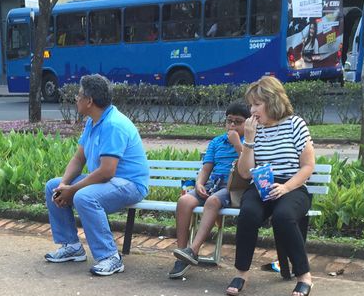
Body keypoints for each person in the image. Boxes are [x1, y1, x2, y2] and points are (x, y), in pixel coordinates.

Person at [44, 74, 149, 276]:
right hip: (108, 181)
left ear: (89, 101)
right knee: (52, 186)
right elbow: (78, 159)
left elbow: (107, 171)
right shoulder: (93, 122)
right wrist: (64, 185)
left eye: (79, 95)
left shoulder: (113, 124)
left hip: (130, 184)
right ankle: (72, 246)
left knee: (85, 197)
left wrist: (73, 190)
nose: (76, 98)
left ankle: (110, 257)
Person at [226, 76, 316, 296]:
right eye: (251, 105)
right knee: (249, 213)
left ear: (272, 101)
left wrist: (286, 187)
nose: (252, 110)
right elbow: (246, 173)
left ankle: (304, 276)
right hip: (263, 186)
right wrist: (248, 141)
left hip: (293, 187)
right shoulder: (255, 130)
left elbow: (307, 166)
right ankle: (241, 273)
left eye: (257, 104)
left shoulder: (295, 124)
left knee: (283, 216)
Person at [169, 102, 250, 279]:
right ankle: (182, 253)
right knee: (184, 201)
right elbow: (206, 168)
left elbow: (249, 165)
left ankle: (193, 250)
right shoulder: (217, 142)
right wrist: (199, 183)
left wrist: (237, 144)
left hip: (232, 187)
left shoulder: (250, 142)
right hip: (212, 184)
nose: (232, 126)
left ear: (248, 123)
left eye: (238, 122)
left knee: (213, 201)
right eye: (229, 121)